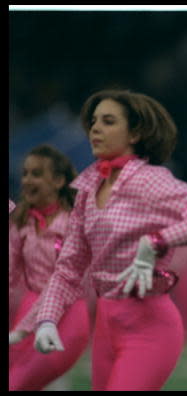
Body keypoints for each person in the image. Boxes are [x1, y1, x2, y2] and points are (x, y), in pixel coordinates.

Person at [10, 89, 187, 391]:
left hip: (149, 325)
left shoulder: (150, 179)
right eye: (94, 121)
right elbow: (68, 268)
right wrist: (46, 320)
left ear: (135, 132)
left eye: (108, 121)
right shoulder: (87, 189)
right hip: (106, 328)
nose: (96, 129)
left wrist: (155, 241)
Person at [8, 144, 90, 391]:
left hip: (68, 315)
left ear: (58, 181)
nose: (27, 180)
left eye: (36, 174)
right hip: (28, 309)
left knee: (18, 383)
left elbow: (66, 283)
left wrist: (22, 330)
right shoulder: (22, 223)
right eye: (25, 173)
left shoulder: (76, 224)